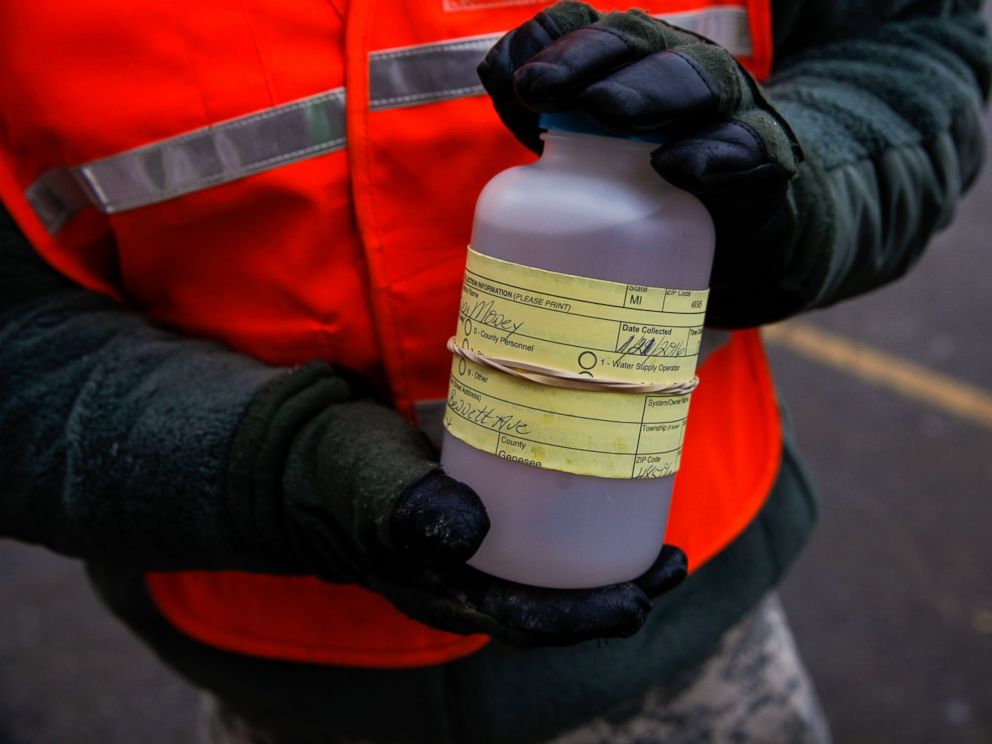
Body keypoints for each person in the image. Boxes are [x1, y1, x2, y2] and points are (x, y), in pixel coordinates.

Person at [0, 0, 988, 741]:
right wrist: (277, 471)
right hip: (297, 691)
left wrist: (793, 184)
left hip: (692, 651)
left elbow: (913, 46)